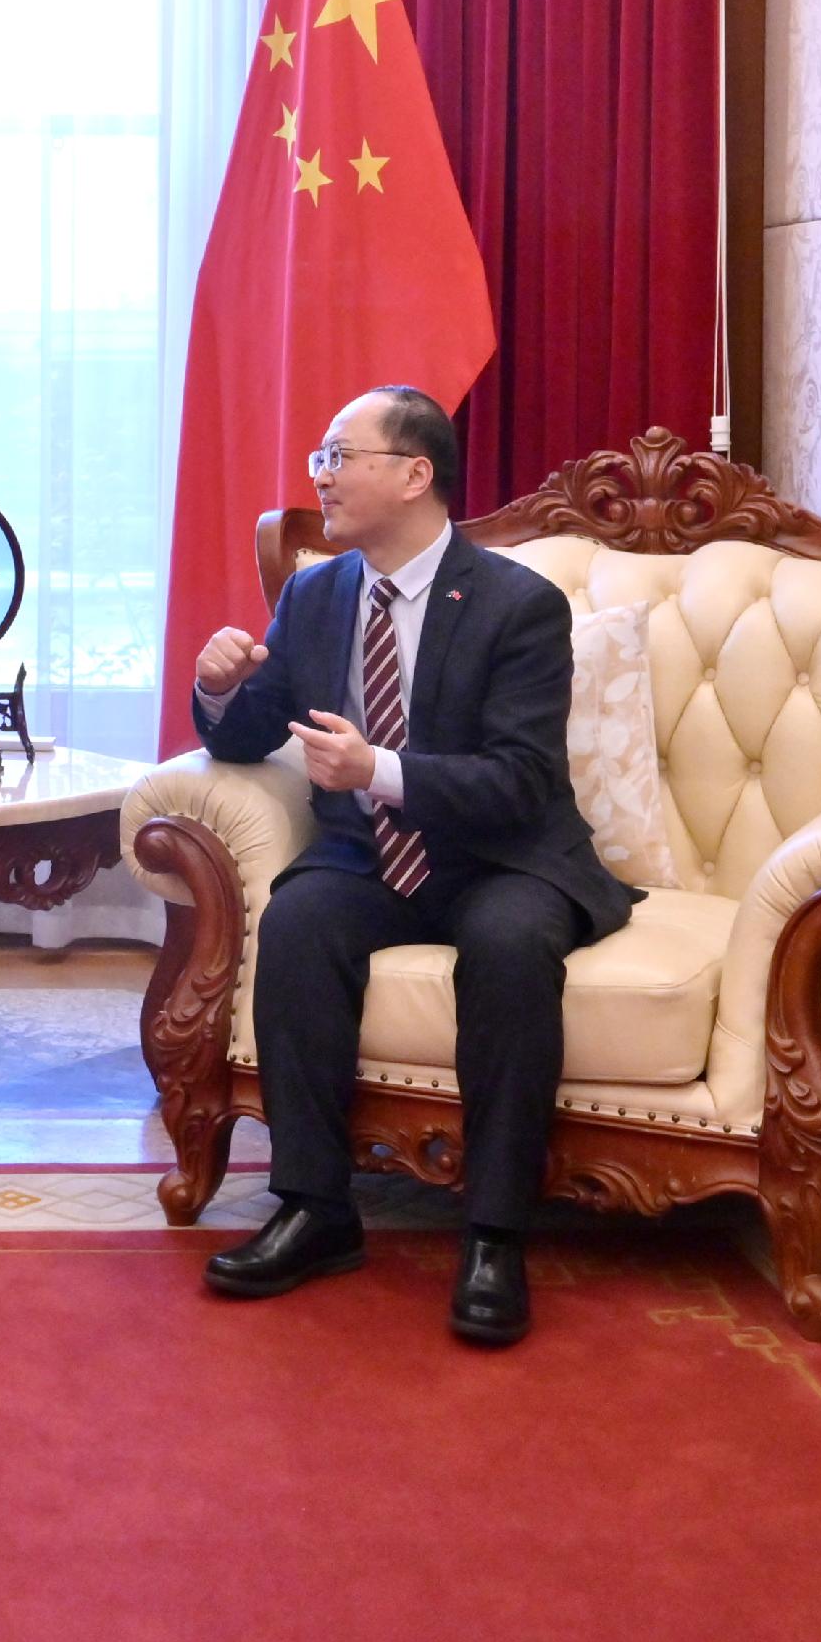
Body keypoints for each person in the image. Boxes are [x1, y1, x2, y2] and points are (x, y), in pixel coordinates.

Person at [186, 385, 634, 1345]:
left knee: (513, 946)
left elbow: (521, 781)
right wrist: (217, 688)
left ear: (414, 473)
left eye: (339, 454)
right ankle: (315, 1207)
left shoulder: (518, 603)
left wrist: (378, 770)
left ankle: (495, 1232)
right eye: (322, 456)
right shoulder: (315, 591)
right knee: (299, 923)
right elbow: (252, 733)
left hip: (501, 855)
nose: (323, 475)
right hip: (369, 858)